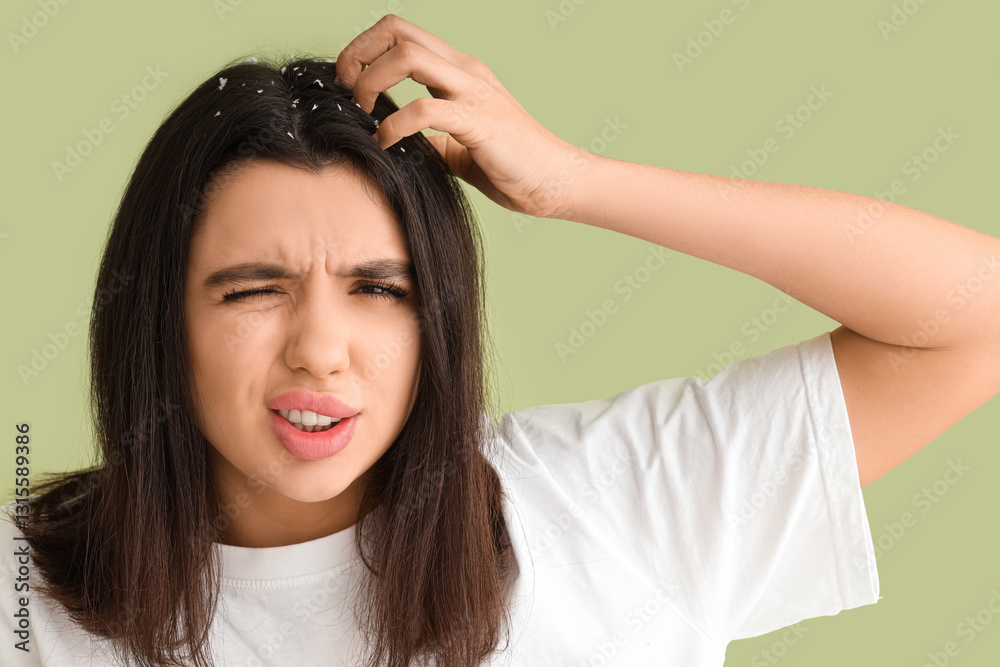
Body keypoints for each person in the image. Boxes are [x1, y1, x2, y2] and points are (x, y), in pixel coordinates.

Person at [2, 13, 998, 667]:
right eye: (253, 289)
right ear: (157, 319)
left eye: (378, 290)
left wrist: (574, 182)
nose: (320, 349)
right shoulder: (23, 595)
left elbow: (973, 310)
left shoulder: (606, 502)